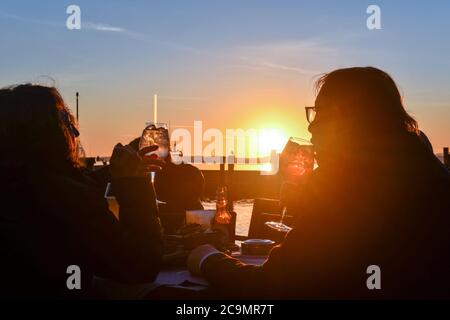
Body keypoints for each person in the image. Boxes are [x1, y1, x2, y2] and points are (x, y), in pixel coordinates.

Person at [188, 67, 450, 299]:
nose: (312, 128)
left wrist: (207, 259)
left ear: (351, 119)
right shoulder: (421, 168)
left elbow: (272, 288)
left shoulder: (348, 184)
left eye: (320, 113)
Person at [0, 84, 163, 299]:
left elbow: (67, 185)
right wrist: (134, 182)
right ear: (48, 132)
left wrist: (113, 171)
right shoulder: (62, 199)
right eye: (65, 120)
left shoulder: (21, 189)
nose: (76, 132)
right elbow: (140, 266)